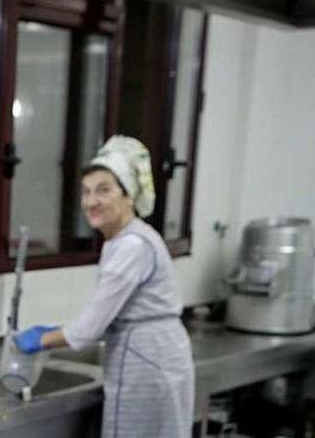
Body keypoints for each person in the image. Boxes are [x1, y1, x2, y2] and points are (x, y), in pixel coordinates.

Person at [15, 135, 194, 438]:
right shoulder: (129, 238)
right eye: (85, 192)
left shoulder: (131, 246)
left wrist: (42, 339)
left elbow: (89, 330)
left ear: (128, 195)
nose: (90, 201)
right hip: (159, 358)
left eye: (103, 190)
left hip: (145, 364)